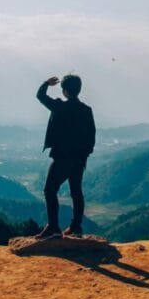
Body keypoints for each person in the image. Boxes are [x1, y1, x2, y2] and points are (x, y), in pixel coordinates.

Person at [35, 74, 96, 238]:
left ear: (65, 91)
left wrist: (46, 83)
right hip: (79, 158)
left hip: (62, 157)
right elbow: (92, 135)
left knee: (49, 190)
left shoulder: (60, 107)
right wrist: (85, 154)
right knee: (76, 191)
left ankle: (53, 227)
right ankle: (76, 227)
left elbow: (40, 96)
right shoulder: (86, 110)